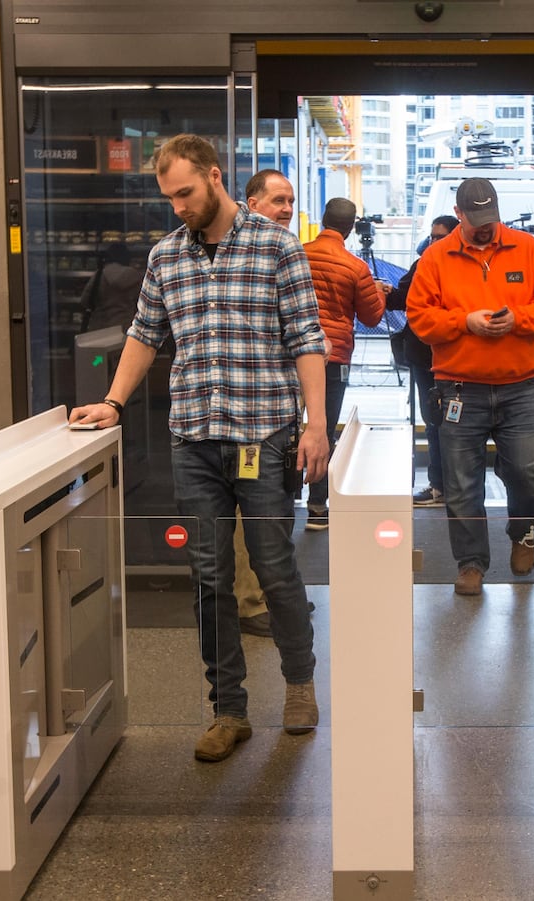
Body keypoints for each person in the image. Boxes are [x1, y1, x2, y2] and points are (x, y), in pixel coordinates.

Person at [71, 134, 329, 762]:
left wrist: (316, 423)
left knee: (274, 567)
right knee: (209, 579)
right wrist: (112, 402)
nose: (177, 206)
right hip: (193, 438)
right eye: (168, 197)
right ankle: (228, 709)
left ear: (215, 177)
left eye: (185, 192)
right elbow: (144, 334)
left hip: (262, 435)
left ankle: (299, 683)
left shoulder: (277, 247)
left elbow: (307, 338)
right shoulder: (166, 257)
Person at [406, 177, 534, 596]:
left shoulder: (529, 249)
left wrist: (518, 319)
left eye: (489, 217)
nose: (484, 226)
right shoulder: (436, 257)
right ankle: (471, 563)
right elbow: (419, 318)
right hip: (459, 388)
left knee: (528, 471)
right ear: (458, 214)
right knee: (461, 482)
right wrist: (465, 322)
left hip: (523, 385)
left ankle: (523, 534)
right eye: (475, 219)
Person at [233, 169, 303, 637]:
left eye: (291, 200)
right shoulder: (239, 253)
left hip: (278, 415)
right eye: (278, 200)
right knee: (249, 518)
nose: (287, 209)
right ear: (252, 203)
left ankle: (275, 593)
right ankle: (250, 600)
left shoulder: (283, 250)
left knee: (275, 512)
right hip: (243, 421)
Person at [301, 197, 388, 530]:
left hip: (291, 355)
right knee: (322, 429)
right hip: (333, 357)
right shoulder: (355, 267)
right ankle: (317, 507)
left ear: (323, 219)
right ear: (351, 228)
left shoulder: (298, 254)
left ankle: (280, 502)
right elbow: (371, 316)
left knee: (288, 430)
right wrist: (377, 291)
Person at [385, 215, 460, 506]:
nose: (432, 242)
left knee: (453, 424)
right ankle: (440, 486)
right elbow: (402, 298)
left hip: (453, 357)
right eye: (431, 237)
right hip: (424, 356)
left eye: (439, 237)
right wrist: (384, 291)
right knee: (433, 422)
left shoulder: (461, 267)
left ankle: (452, 486)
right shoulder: (423, 264)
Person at [78, 242, 147, 334]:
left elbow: (85, 301)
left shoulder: (99, 275)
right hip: (125, 328)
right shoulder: (136, 277)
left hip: (100, 329)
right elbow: (143, 306)